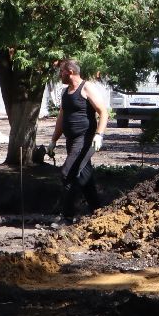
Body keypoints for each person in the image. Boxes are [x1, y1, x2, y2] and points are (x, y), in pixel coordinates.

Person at [48, 58, 109, 219]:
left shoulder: (86, 87)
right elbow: (61, 117)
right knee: (84, 176)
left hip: (85, 140)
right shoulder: (65, 92)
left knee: (68, 173)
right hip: (71, 141)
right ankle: (98, 212)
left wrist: (99, 135)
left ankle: (67, 217)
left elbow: (103, 112)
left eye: (62, 72)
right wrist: (53, 140)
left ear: (71, 72)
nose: (60, 75)